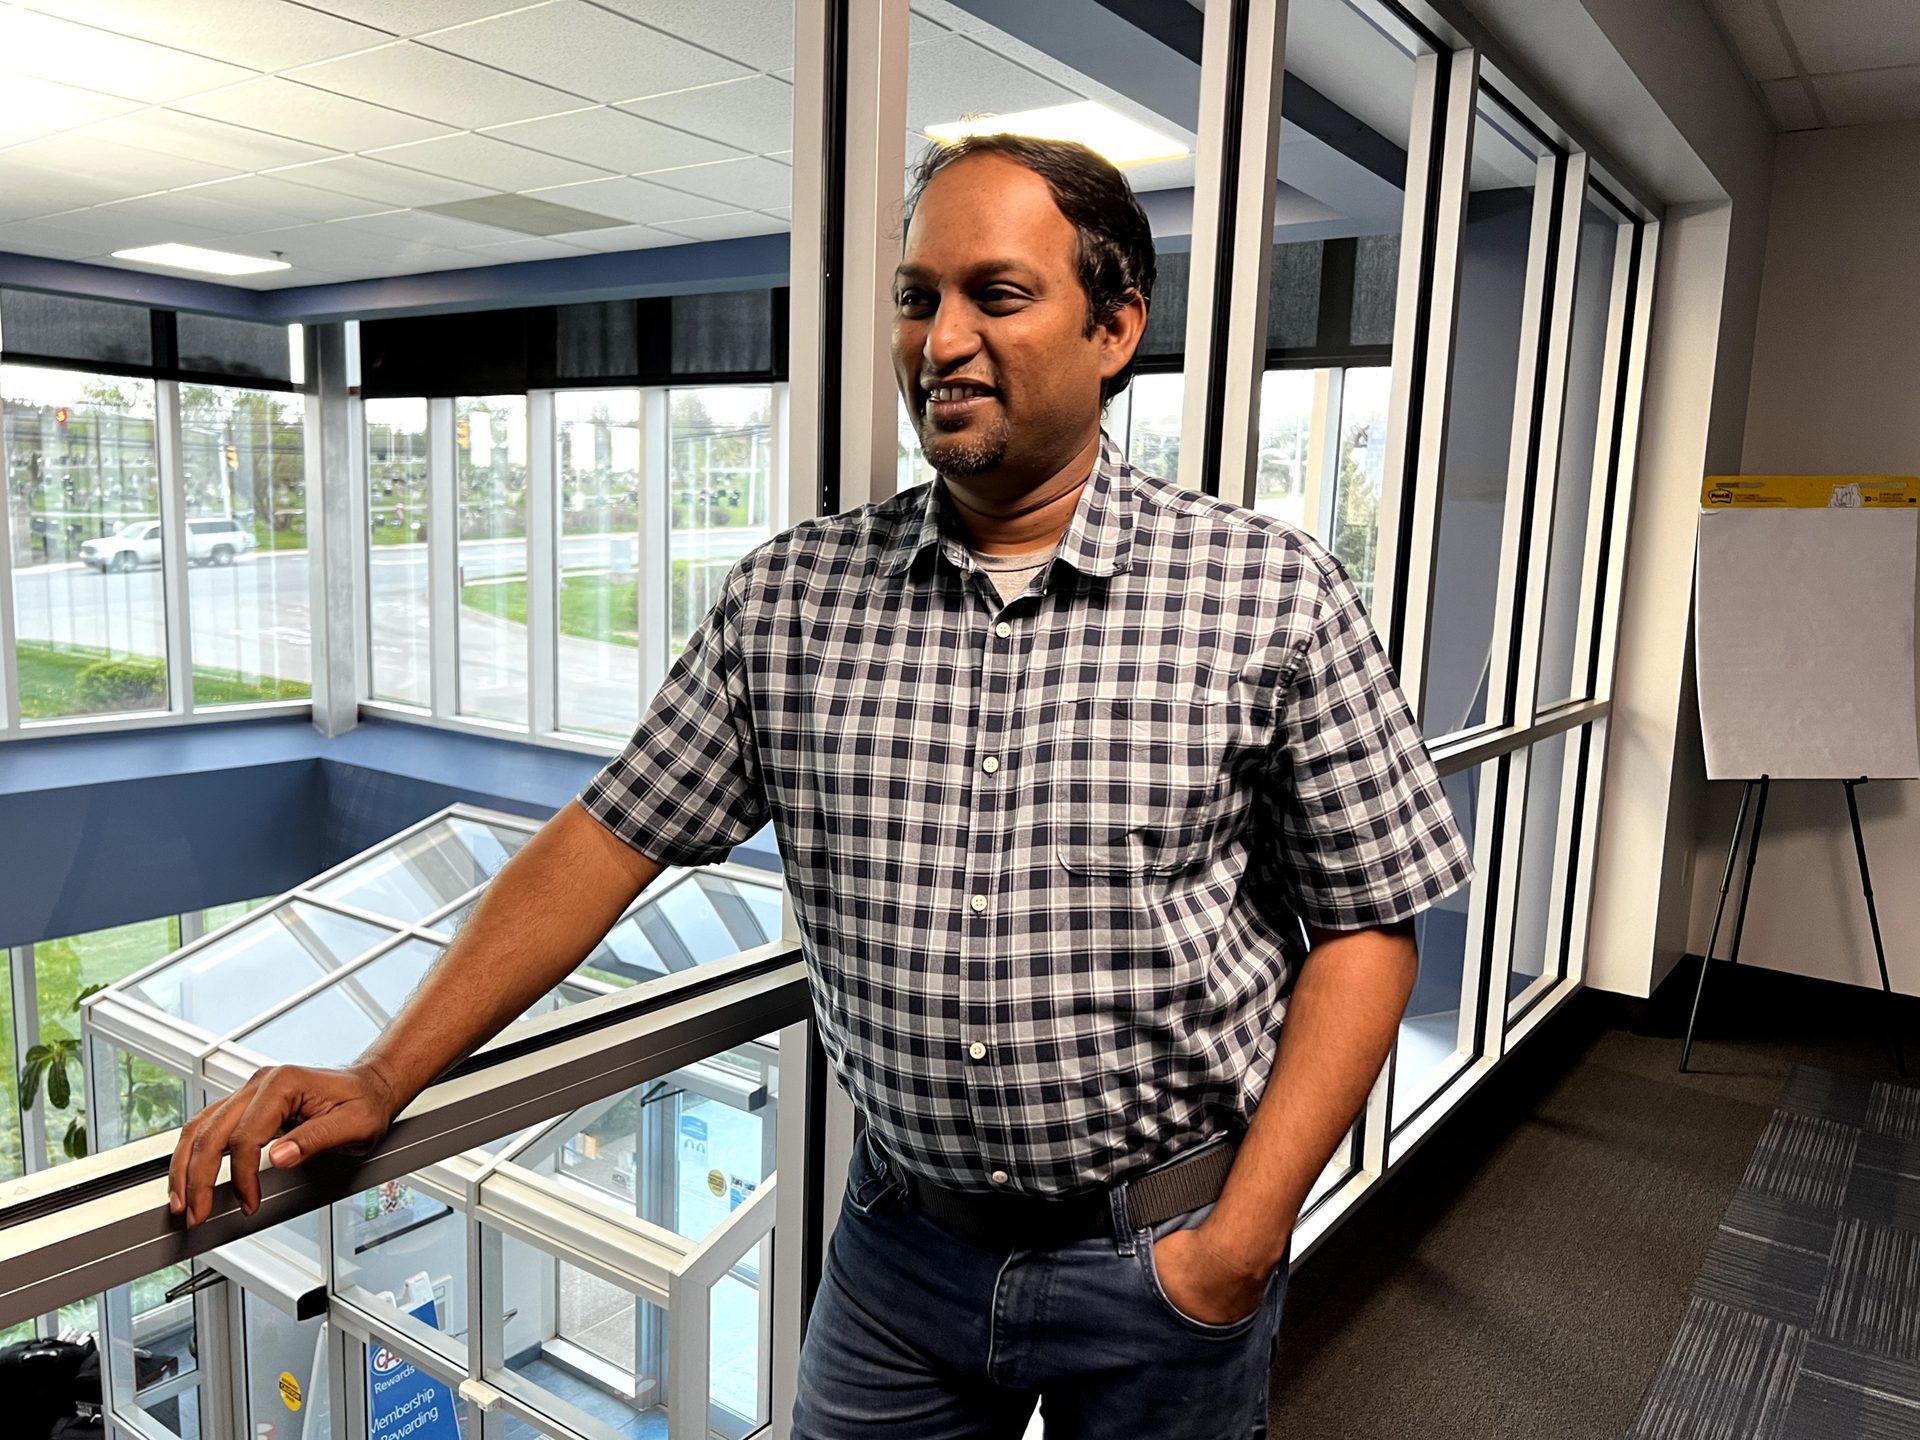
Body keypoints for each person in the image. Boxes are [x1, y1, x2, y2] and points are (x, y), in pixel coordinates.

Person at [170, 135, 1470, 1438]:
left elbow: (1368, 928)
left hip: (1161, 1259)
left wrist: (1239, 1241)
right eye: (918, 297)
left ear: (1115, 327)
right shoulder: (792, 603)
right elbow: (606, 842)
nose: (940, 340)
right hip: (902, 1257)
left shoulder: (1269, 595)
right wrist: (385, 1074)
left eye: (996, 295)